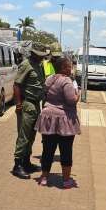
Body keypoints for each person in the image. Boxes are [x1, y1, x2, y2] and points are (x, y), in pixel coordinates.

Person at [36, 57, 81, 188]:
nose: (71, 68)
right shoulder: (66, 81)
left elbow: (45, 94)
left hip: (48, 118)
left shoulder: (49, 78)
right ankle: (66, 181)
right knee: (66, 150)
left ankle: (44, 178)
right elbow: (71, 100)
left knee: (47, 149)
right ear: (63, 68)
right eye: (69, 66)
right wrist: (77, 94)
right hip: (64, 120)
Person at [12, 43, 50, 179]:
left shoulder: (39, 65)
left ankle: (26, 162)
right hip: (27, 104)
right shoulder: (26, 64)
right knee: (24, 136)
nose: (41, 58)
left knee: (32, 136)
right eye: (39, 55)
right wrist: (18, 105)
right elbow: (16, 85)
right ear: (33, 54)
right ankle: (17, 165)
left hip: (36, 105)